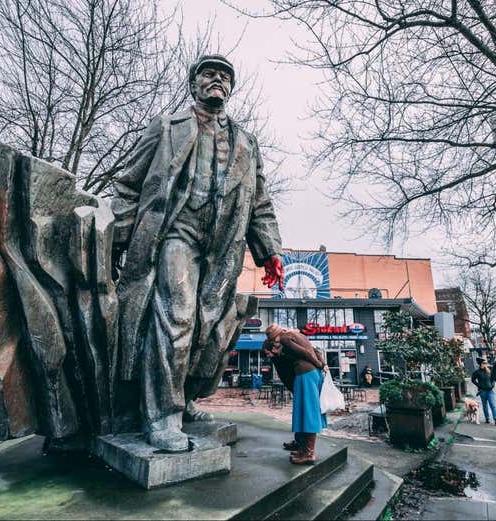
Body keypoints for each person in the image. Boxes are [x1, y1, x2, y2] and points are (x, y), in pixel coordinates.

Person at [111, 54, 284, 452]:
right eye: (209, 74)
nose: (217, 80)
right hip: (176, 234)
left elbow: (260, 202)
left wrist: (270, 250)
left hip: (224, 246)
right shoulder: (167, 127)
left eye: (224, 76)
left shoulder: (246, 142)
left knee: (209, 325)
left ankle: (185, 398)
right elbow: (128, 184)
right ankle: (161, 416)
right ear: (194, 84)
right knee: (178, 316)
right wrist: (117, 236)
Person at [263, 324, 327, 465]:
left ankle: (309, 453)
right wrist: (321, 365)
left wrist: (319, 364)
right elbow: (315, 351)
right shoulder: (297, 335)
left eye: (271, 348)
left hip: (305, 374)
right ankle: (304, 448)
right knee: (306, 411)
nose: (271, 352)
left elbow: (306, 353)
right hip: (311, 374)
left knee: (308, 412)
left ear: (275, 338)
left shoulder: (285, 339)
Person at [471, 358, 496, 425]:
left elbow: (493, 378)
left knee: (492, 405)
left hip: (490, 390)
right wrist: (479, 385)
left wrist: (492, 385)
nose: (486, 364)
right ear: (480, 364)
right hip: (482, 391)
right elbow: (473, 380)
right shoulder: (477, 372)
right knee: (485, 405)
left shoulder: (489, 371)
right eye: (484, 363)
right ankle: (487, 418)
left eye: (486, 363)